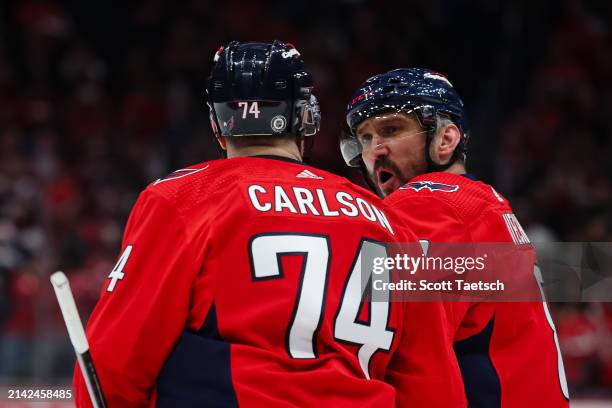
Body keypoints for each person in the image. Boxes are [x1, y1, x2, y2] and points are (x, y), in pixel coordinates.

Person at [73, 43, 464, 407]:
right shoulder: (391, 223)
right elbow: (434, 387)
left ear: (216, 124)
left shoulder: (183, 198)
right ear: (307, 117)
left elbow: (111, 368)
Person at [342, 68, 570, 407]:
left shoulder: (429, 204)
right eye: (365, 138)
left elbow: (387, 349)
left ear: (446, 140)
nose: (375, 151)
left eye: (391, 130)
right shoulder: (481, 203)